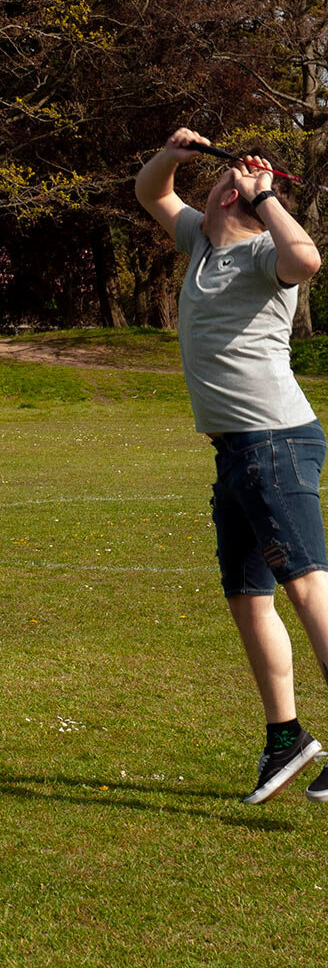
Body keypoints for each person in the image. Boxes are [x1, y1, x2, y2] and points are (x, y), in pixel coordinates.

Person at [136, 127, 328, 804]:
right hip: (236, 450)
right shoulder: (200, 242)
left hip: (275, 441)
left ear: (233, 199)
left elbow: (307, 258)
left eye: (225, 181)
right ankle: (286, 738)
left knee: (308, 587)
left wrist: (266, 195)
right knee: (249, 596)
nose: (219, 182)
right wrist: (172, 155)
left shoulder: (263, 257)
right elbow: (151, 192)